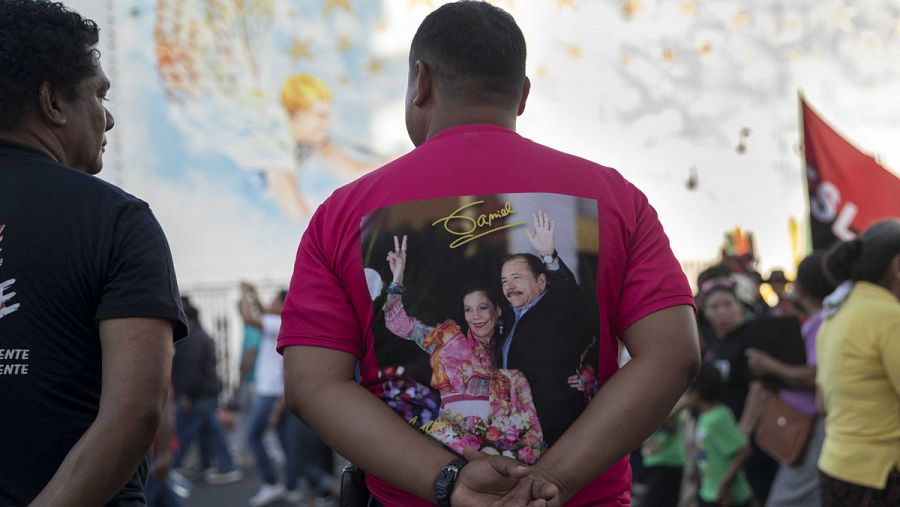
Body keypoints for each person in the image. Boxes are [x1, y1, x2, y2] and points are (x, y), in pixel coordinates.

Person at [278, 2, 699, 506]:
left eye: (488, 304)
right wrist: (552, 482)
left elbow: (312, 385)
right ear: (522, 94)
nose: (480, 313)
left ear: (421, 82)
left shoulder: (341, 213)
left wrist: (449, 485)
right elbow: (672, 354)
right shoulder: (617, 198)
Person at [0, 1, 188, 504]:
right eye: (99, 95)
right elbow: (134, 412)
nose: (108, 119)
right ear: (52, 103)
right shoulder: (117, 221)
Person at [383, 234, 544, 461]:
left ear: (498, 310)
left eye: (482, 308)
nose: (475, 317)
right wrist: (397, 278)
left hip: (501, 446)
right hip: (450, 444)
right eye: (468, 310)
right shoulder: (448, 341)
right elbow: (396, 323)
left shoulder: (511, 346)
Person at [816, 220, 900, 505]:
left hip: (836, 468)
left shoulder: (835, 314)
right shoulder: (889, 316)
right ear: (897, 266)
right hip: (880, 475)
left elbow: (823, 404)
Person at [745, 251, 836, 507]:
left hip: (812, 427)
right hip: (801, 424)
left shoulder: (821, 323)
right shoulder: (817, 320)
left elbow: (816, 375)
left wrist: (769, 365)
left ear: (802, 288)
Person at [499, 210, 589, 447]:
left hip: (552, 428)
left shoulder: (556, 310)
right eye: (504, 281)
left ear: (541, 281)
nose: (509, 286)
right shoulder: (507, 317)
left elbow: (569, 294)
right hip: (514, 428)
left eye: (516, 278)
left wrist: (548, 256)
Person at [241, 289, 306, 506]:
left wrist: (245, 294)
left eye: (274, 300)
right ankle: (291, 486)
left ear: (281, 303)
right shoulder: (283, 322)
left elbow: (248, 318)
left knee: (253, 435)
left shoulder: (275, 322)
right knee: (285, 439)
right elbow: (262, 311)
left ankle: (271, 482)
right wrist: (254, 296)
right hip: (280, 391)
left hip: (269, 392)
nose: (270, 303)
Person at [171, 298, 243, 484]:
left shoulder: (193, 339)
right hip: (205, 393)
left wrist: (185, 394)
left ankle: (174, 468)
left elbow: (191, 370)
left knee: (186, 431)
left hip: (198, 394)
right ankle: (213, 465)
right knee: (207, 431)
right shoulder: (199, 336)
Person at [687, 362, 754, 507]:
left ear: (696, 393)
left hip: (727, 497)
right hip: (709, 492)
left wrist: (724, 485)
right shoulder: (704, 416)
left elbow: (743, 452)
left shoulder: (718, 417)